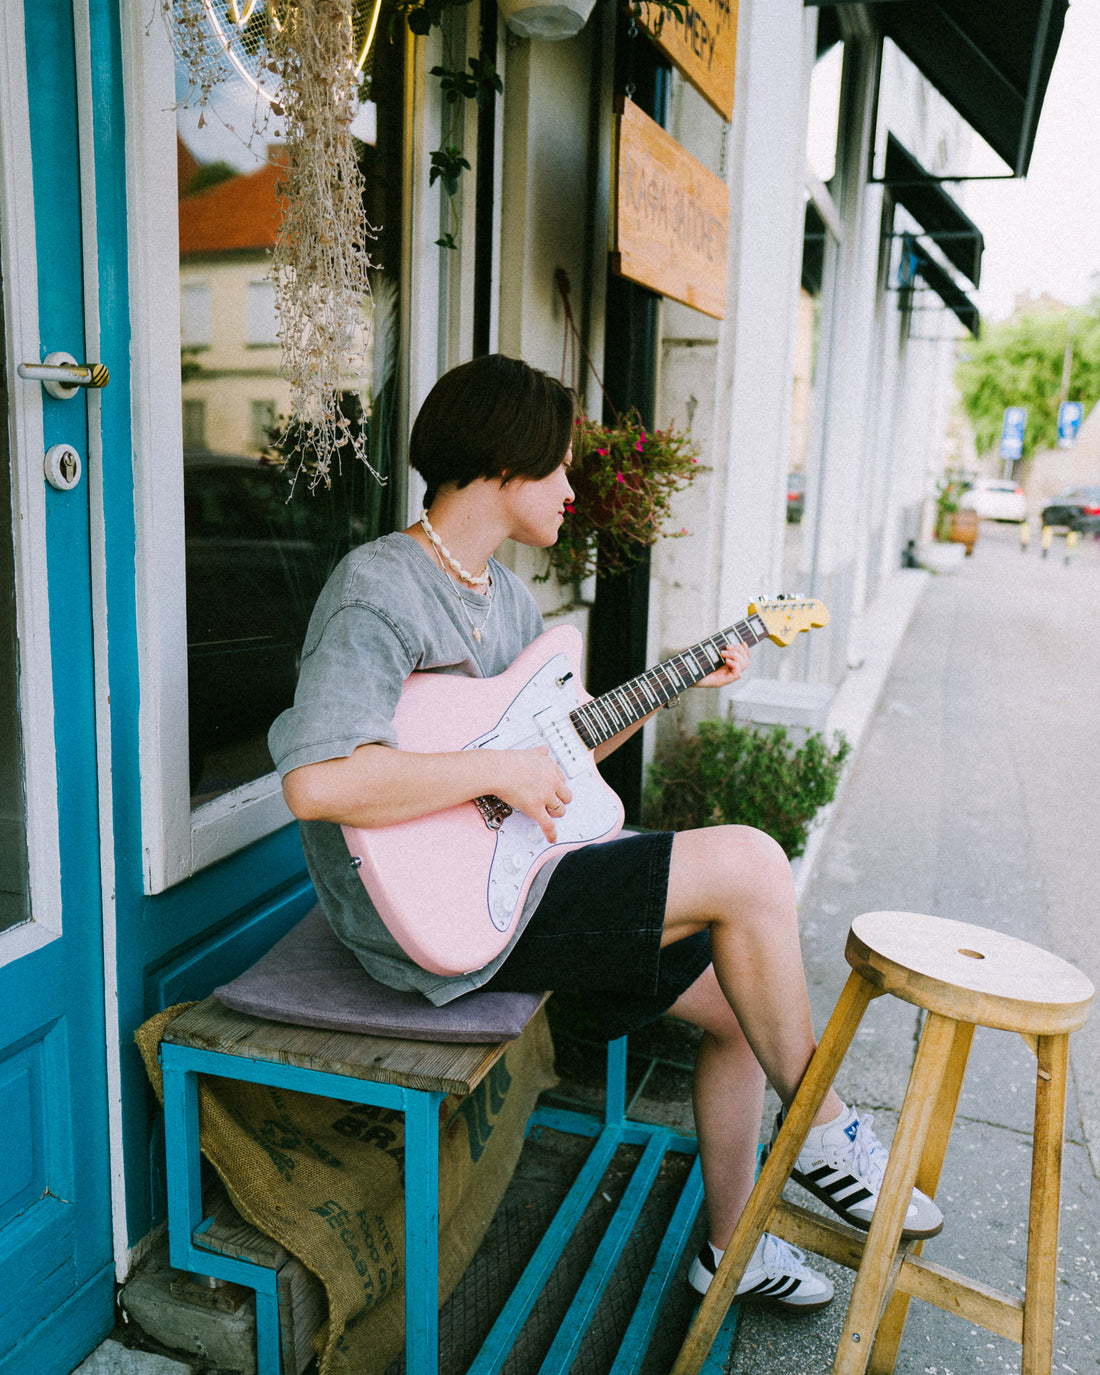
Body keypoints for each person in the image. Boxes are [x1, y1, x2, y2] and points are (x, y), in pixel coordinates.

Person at [269, 354, 942, 1313]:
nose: (573, 489)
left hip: (524, 871)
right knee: (749, 861)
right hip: (430, 922)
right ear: (505, 463)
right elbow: (316, 781)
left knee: (744, 996)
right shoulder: (378, 588)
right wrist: (496, 771)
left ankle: (733, 1245)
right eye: (560, 467)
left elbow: (554, 749)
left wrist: (679, 674)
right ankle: (825, 1126)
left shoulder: (502, 597)